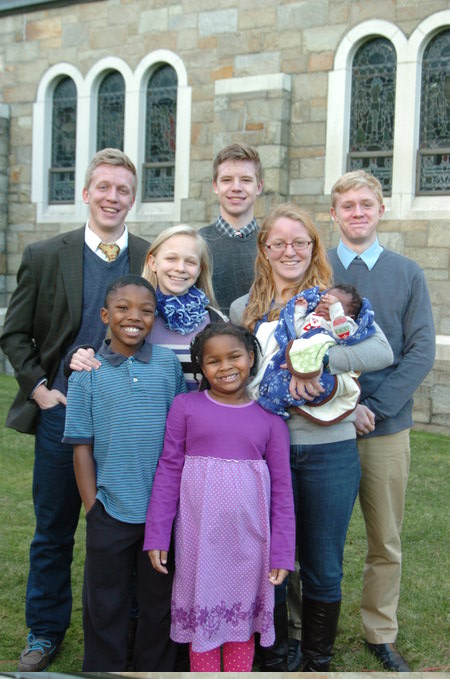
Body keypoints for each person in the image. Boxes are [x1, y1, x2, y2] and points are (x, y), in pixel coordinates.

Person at [0, 148, 150, 672]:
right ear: (86, 193)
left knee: (129, 529)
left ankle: (127, 627)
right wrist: (41, 389)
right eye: (103, 187)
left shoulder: (151, 257)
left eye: (123, 189)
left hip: (130, 420)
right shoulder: (46, 254)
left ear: (134, 198)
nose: (112, 197)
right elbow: (14, 333)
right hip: (64, 415)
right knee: (54, 528)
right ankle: (44, 630)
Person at [230, 203, 393, 672]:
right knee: (271, 558)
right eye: (278, 242)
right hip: (266, 450)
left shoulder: (333, 302)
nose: (290, 251)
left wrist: (316, 361)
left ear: (313, 247)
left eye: (300, 242)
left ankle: (317, 659)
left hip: (328, 449)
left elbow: (381, 351)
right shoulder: (244, 308)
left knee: (323, 563)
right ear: (263, 249)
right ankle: (276, 655)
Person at [328, 170, 436, 672]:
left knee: (385, 538)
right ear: (334, 213)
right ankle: (304, 628)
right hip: (321, 423)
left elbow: (420, 350)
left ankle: (380, 630)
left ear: (380, 210)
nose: (357, 213)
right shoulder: (315, 267)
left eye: (366, 204)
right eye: (347, 205)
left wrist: (377, 406)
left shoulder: (407, 272)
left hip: (384, 427)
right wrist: (341, 405)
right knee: (311, 535)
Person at [144, 322, 296, 672]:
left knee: (241, 626)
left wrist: (282, 552)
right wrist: (157, 534)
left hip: (249, 545)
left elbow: (283, 493)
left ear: (251, 357)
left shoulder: (271, 421)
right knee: (203, 625)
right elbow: (168, 471)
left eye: (234, 357)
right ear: (201, 366)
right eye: (213, 361)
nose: (225, 367)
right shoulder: (185, 407)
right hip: (198, 544)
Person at [62, 275, 186, 670]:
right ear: (105, 315)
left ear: (154, 318)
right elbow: (81, 447)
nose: (134, 317)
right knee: (105, 603)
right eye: (123, 308)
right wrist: (92, 508)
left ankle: (156, 671)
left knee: (158, 603)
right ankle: (104, 669)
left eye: (146, 310)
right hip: (111, 510)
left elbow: (180, 436)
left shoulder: (167, 364)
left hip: (162, 512)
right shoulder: (86, 373)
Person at [70, 225, 226, 390]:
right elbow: (106, 360)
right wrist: (81, 357)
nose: (180, 268)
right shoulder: (133, 319)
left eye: (190, 262)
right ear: (153, 262)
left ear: (200, 269)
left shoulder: (215, 321)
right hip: (145, 406)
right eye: (171, 258)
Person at [251, 283, 374, 422]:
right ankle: (270, 405)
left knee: (315, 386)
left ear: (349, 315)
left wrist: (336, 310)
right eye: (323, 301)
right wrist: (300, 311)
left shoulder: (346, 325)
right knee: (276, 381)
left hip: (325, 372)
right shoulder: (313, 318)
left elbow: (343, 334)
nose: (325, 306)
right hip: (296, 363)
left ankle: (277, 407)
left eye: (333, 304)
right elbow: (297, 331)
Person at [198, 142, 263, 315]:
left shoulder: (272, 245)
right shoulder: (197, 243)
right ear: (215, 186)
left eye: (246, 180)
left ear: (259, 187)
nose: (236, 188)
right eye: (227, 180)